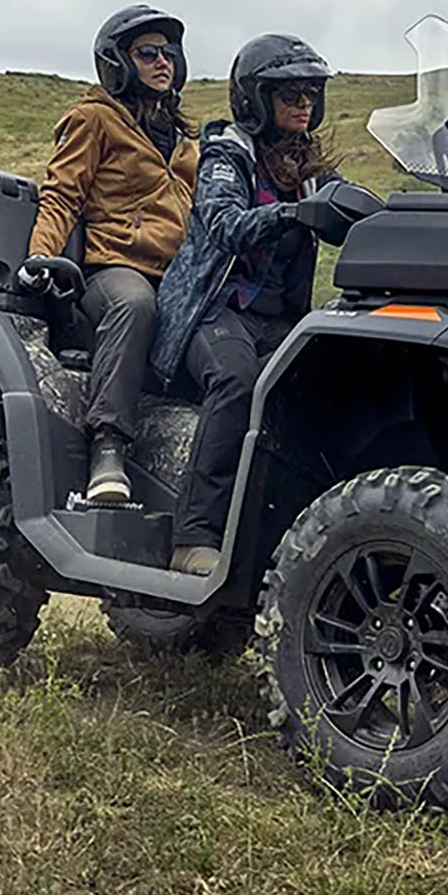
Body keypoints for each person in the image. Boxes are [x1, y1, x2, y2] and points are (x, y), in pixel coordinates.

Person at [150, 34, 341, 575]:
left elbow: (349, 206)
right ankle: (193, 537)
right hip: (212, 313)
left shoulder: (308, 167)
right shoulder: (225, 154)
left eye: (311, 93)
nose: (304, 103)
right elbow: (227, 224)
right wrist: (294, 215)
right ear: (257, 100)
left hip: (279, 322)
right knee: (237, 382)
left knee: (329, 382)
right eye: (290, 94)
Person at [20, 4, 199, 505]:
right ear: (117, 62)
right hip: (111, 271)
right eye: (147, 53)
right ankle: (108, 449)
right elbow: (61, 195)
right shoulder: (94, 118)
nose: (163, 62)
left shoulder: (188, 140)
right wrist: (39, 259)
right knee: (134, 303)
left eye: (169, 53)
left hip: (179, 280)